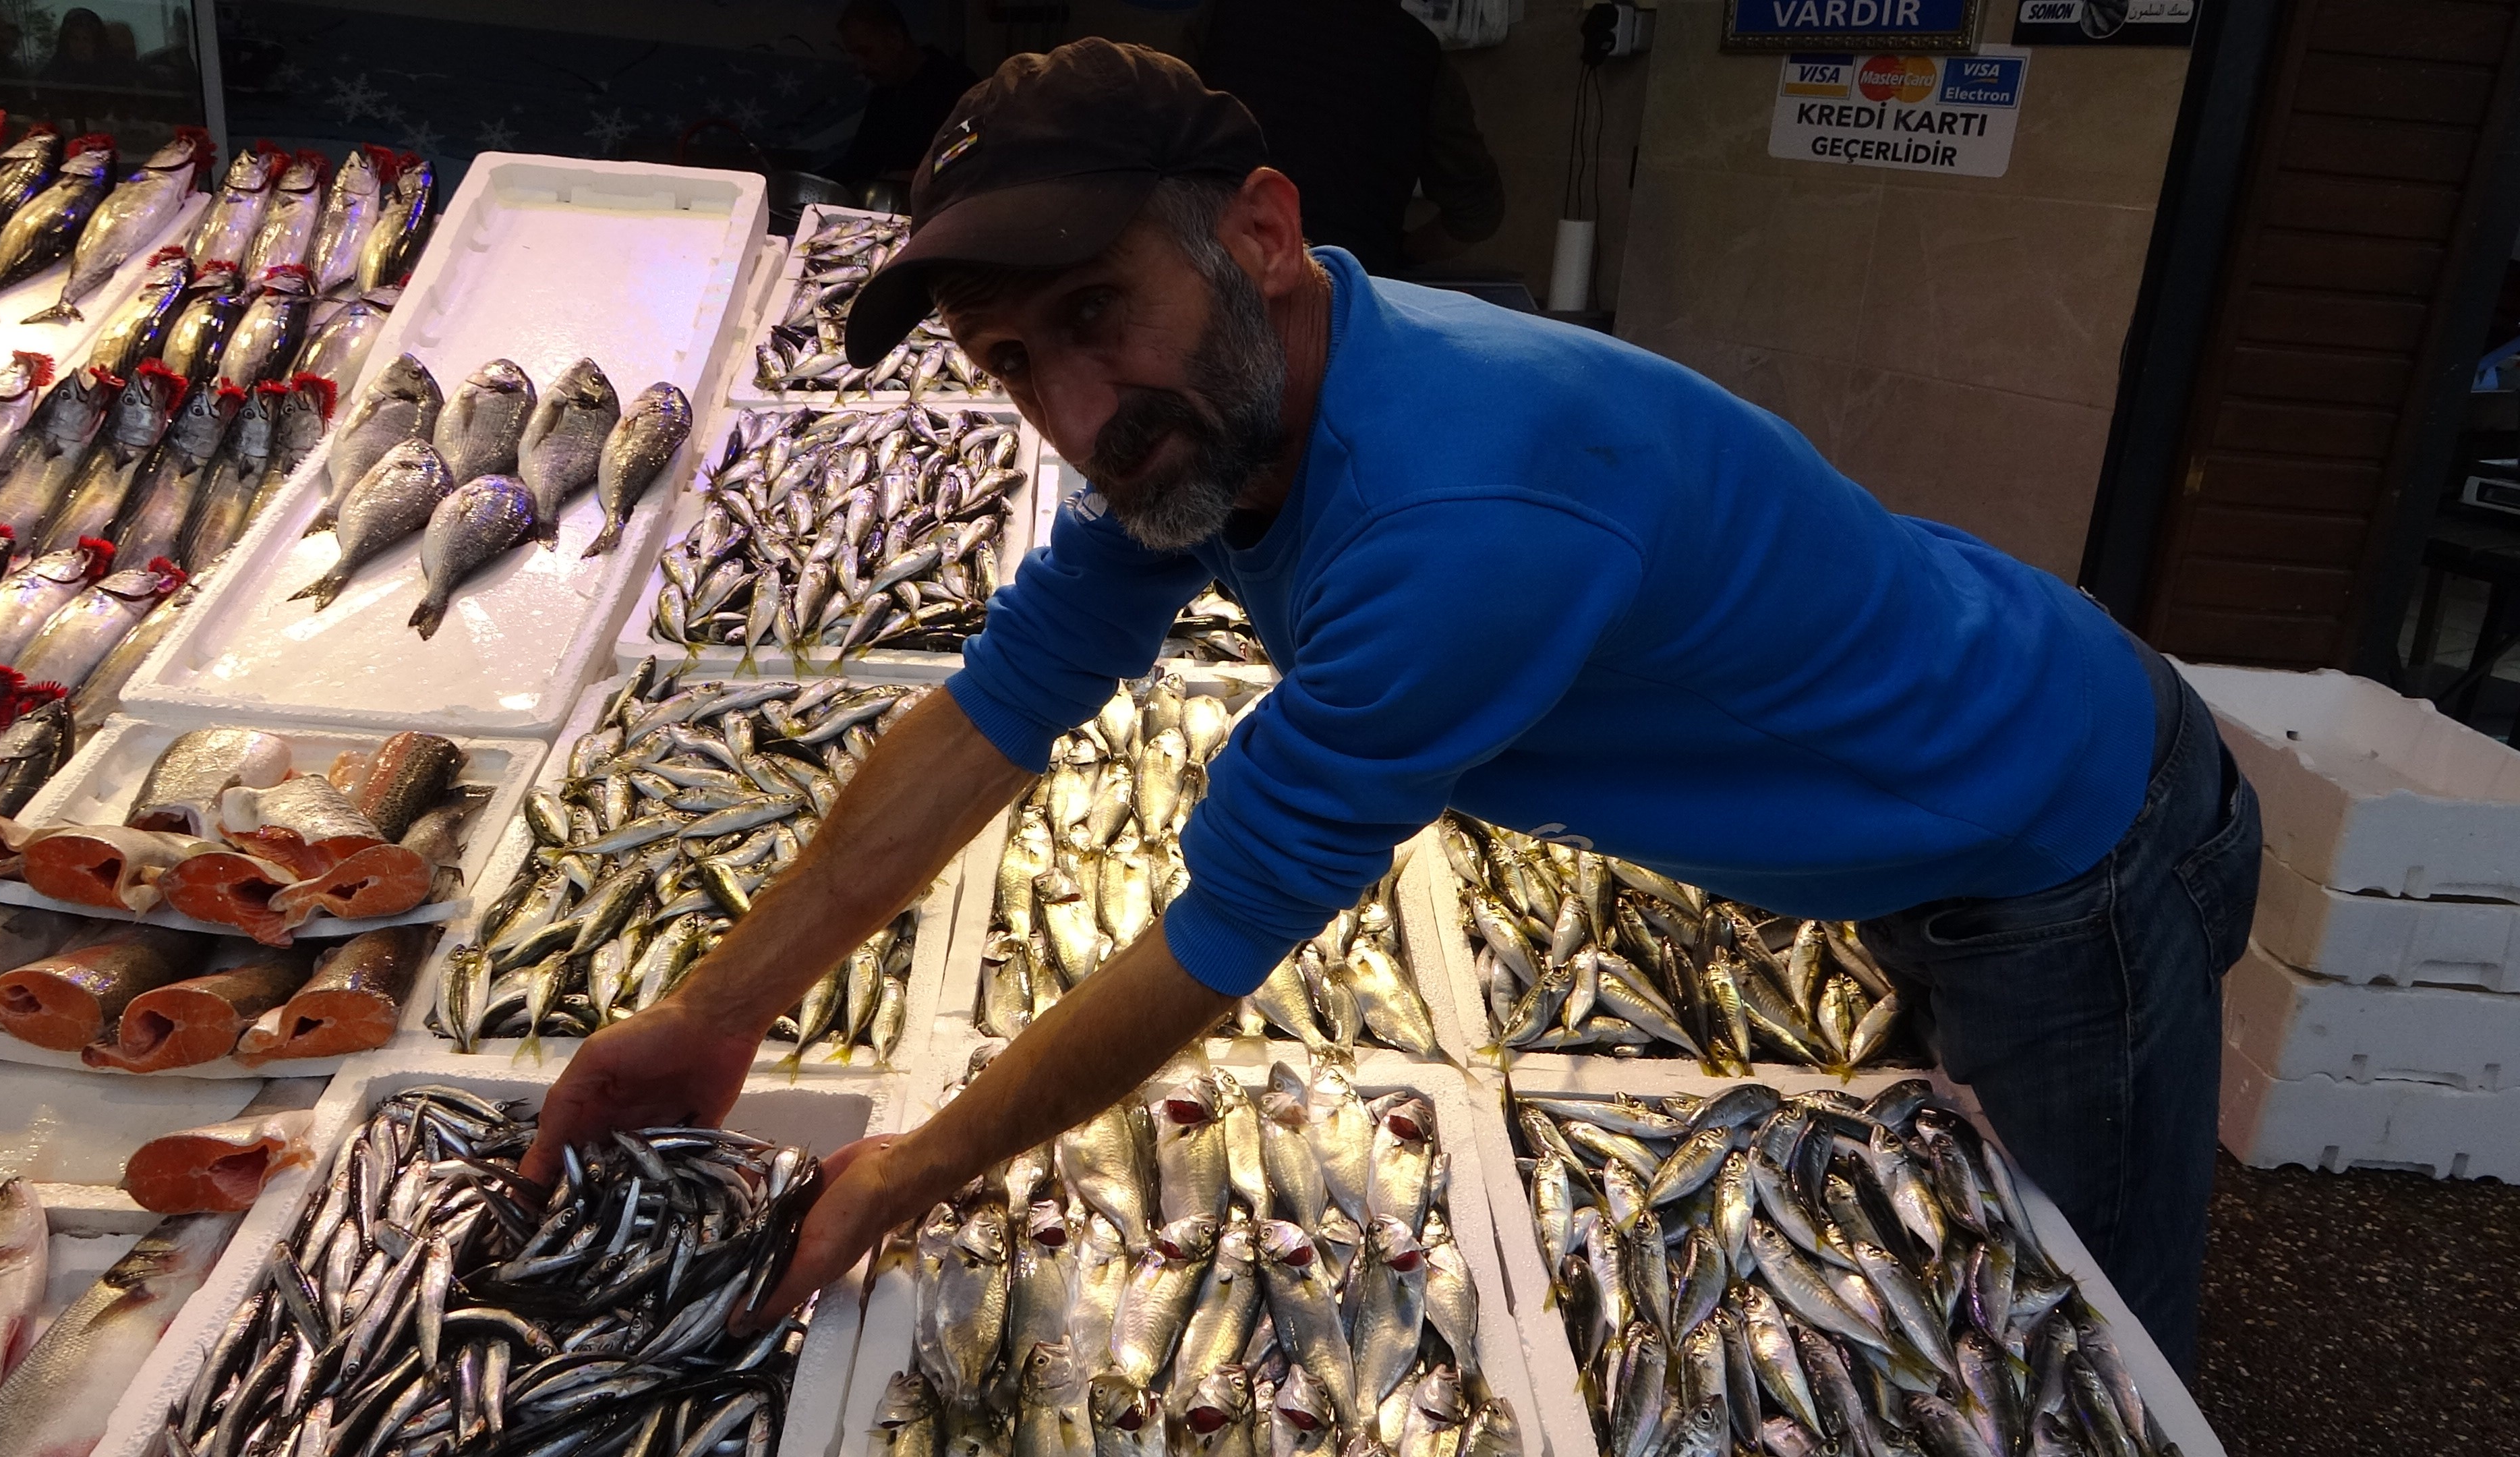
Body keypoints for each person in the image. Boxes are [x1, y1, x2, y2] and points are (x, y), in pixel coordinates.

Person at [523, 40, 2258, 1373]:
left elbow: (1219, 935)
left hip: (2062, 845)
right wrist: (718, 1009)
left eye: (1092, 315)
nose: (1069, 408)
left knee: (2080, 1340)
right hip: (1918, 805)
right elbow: (1006, 702)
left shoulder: (1461, 519)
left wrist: (907, 1172)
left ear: (1261, 235)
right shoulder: (1215, 408)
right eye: (1011, 366)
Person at [1192, 0, 1503, 273]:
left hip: (1213, 266)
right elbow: (1477, 216)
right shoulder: (1419, 56)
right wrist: (1405, 252)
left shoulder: (1224, 18)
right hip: (1344, 293)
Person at [825, 0, 977, 194]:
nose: (860, 67)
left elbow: (971, 160)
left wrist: (916, 177)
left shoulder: (957, 85)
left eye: (865, 52)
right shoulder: (884, 96)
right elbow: (858, 163)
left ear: (895, 38)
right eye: (854, 55)